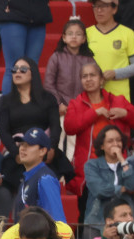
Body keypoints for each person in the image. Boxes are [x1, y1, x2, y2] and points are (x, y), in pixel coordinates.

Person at [0, 57, 65, 214]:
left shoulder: (48, 99)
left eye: (23, 69)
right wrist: (16, 152)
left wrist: (51, 148)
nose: (17, 72)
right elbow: (3, 131)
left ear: (33, 73)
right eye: (14, 69)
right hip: (17, 152)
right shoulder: (4, 102)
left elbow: (55, 126)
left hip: (44, 150)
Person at [63, 61, 134, 197]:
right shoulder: (76, 103)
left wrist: (125, 113)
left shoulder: (117, 100)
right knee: (88, 214)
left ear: (101, 79)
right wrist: (95, 113)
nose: (88, 79)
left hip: (116, 165)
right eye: (84, 76)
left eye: (92, 75)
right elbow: (70, 127)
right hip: (89, 168)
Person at [43, 18, 96, 160]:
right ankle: (59, 171)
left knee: (76, 142)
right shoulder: (56, 57)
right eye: (70, 33)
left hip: (81, 108)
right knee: (58, 140)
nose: (74, 36)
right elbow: (49, 84)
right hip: (60, 109)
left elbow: (93, 84)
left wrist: (82, 104)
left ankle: (74, 173)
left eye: (78, 34)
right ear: (64, 38)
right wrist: (59, 103)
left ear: (84, 39)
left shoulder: (89, 60)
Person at [82, 125, 134, 239]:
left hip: (126, 223)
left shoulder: (130, 165)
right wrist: (124, 189)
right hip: (97, 222)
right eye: (110, 141)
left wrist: (122, 160)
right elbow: (100, 190)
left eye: (118, 140)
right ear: (102, 145)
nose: (115, 144)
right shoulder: (92, 165)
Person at [86, 0, 134, 102]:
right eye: (95, 6)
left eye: (103, 6)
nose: (99, 10)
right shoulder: (86, 34)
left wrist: (115, 73)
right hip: (92, 99)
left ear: (114, 9)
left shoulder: (128, 34)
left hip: (119, 99)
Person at [0, 0, 51, 95]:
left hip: (38, 12)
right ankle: (9, 108)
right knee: (14, 67)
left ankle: (32, 107)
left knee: (32, 68)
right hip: (12, 12)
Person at [14, 127, 66, 222]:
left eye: (29, 145)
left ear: (42, 151)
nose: (22, 148)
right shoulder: (27, 178)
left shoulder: (45, 178)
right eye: (21, 144)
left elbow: (58, 221)